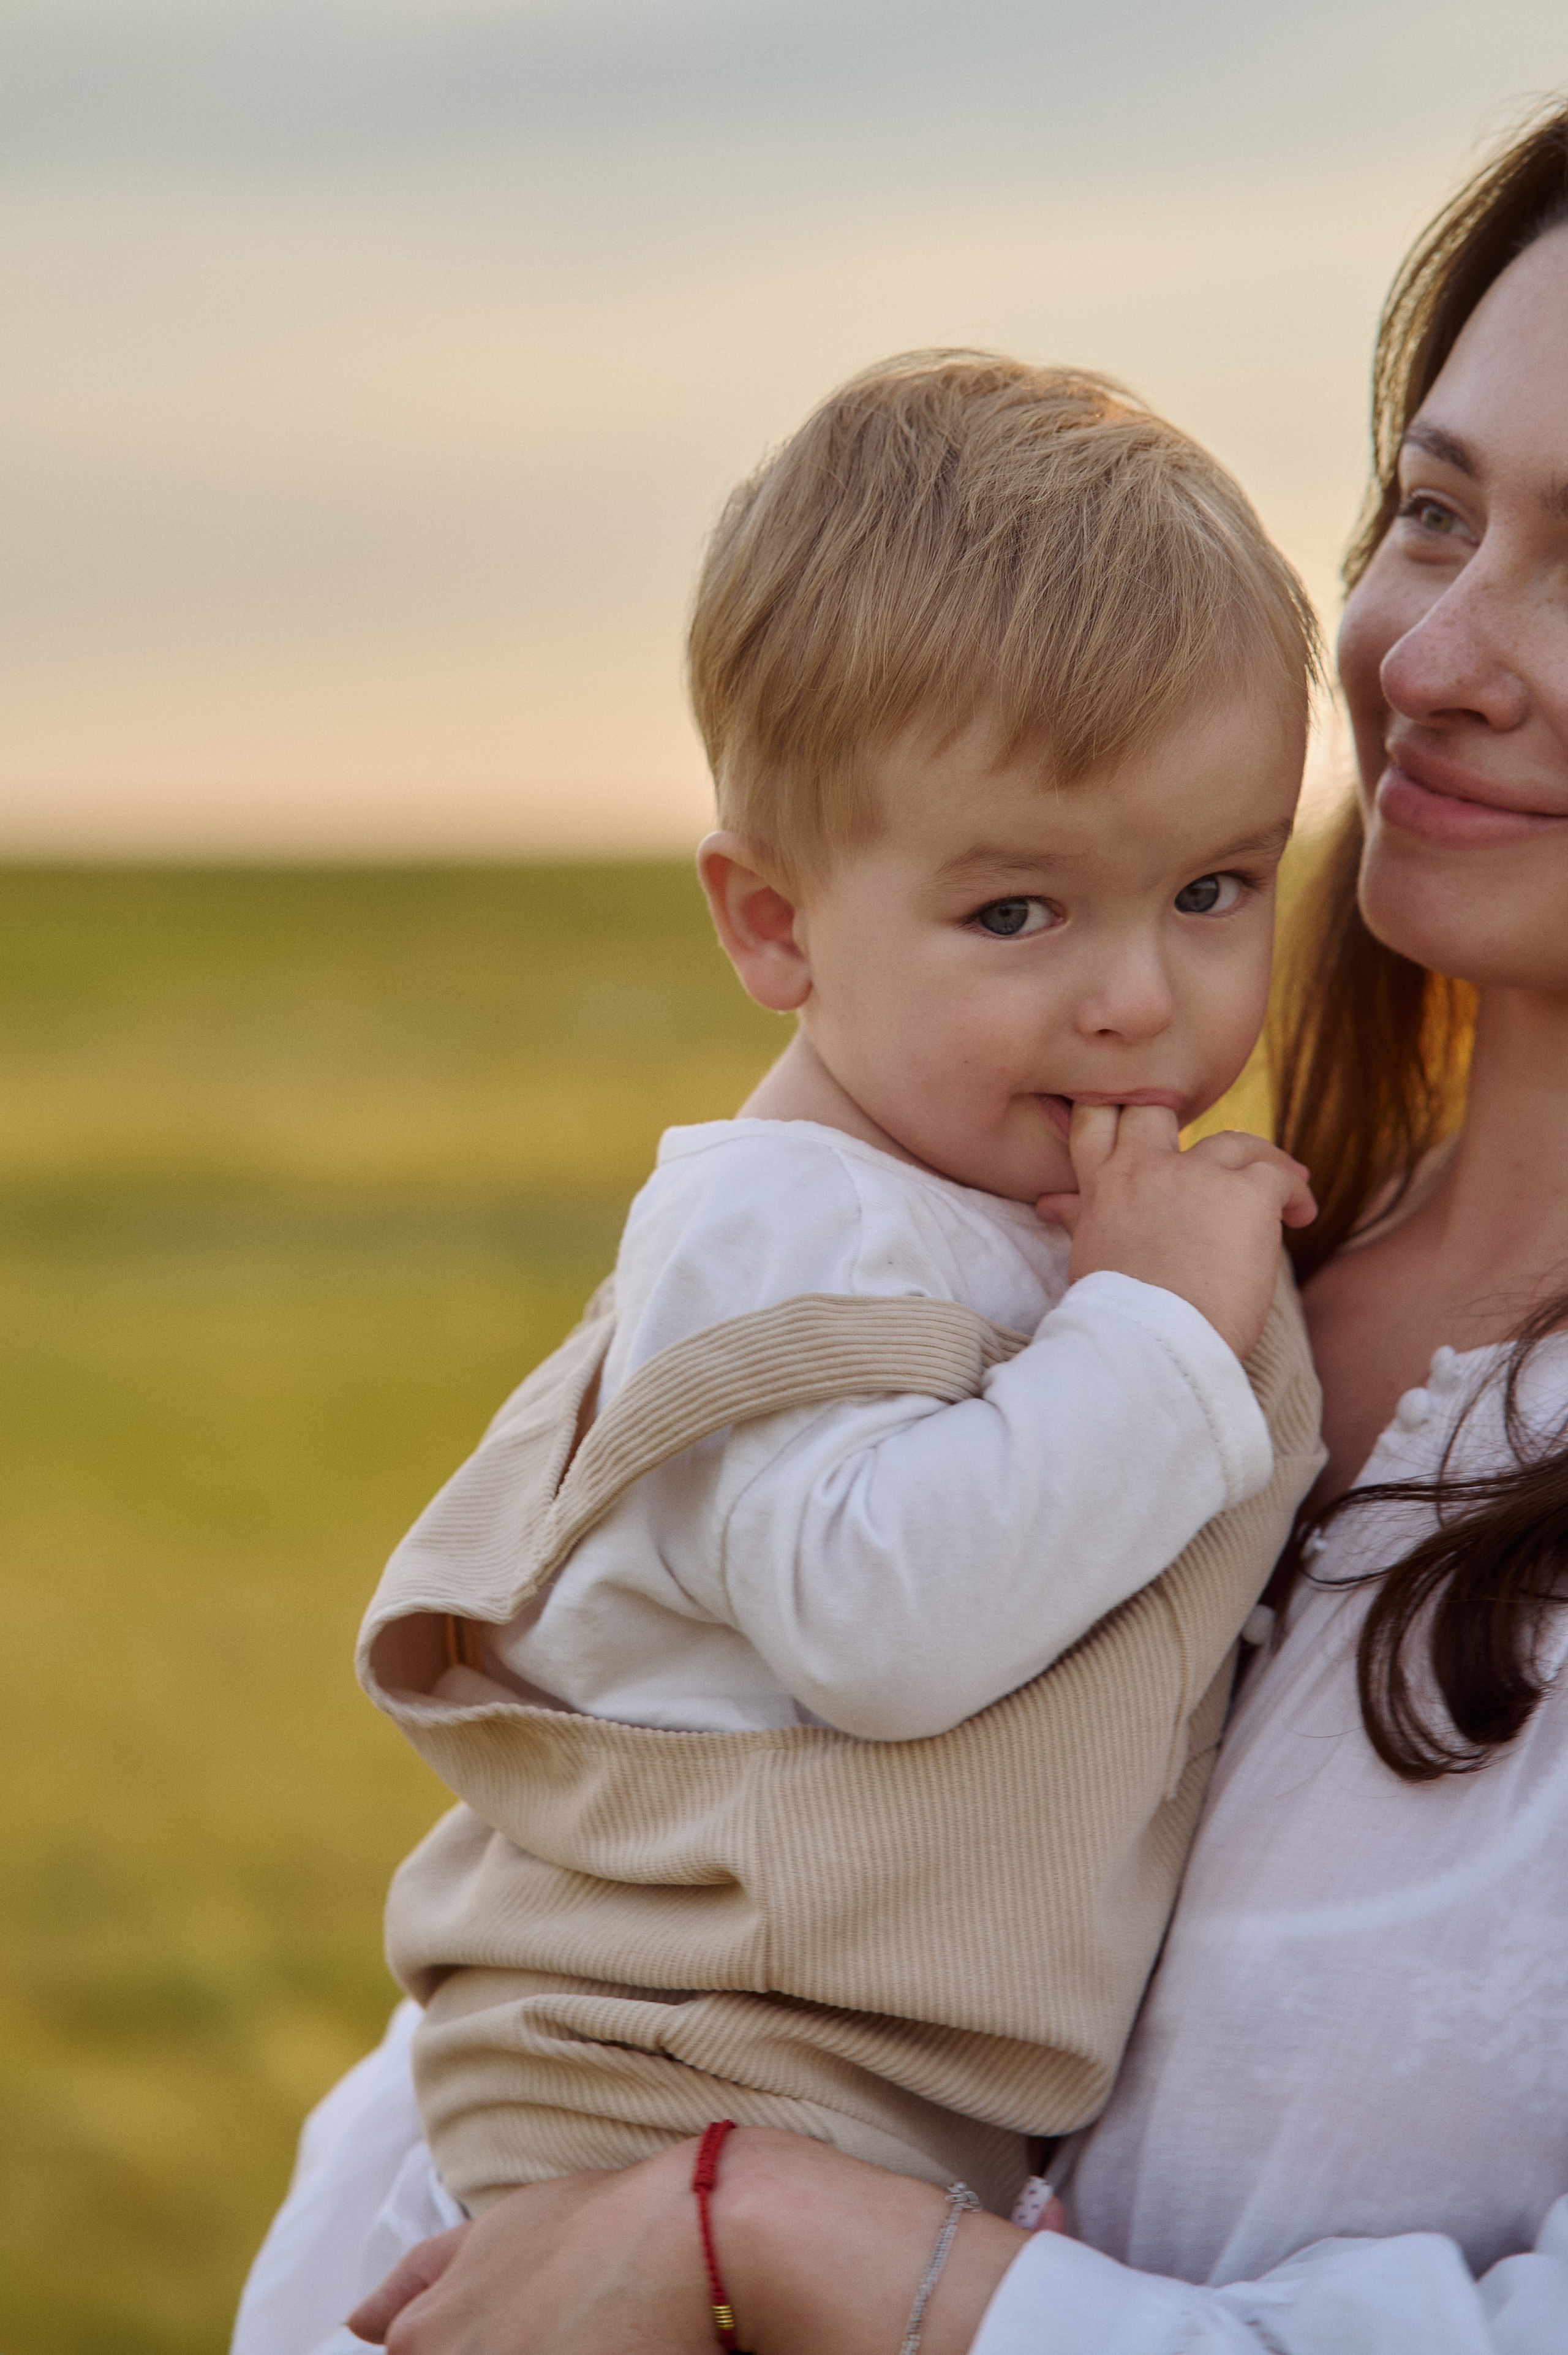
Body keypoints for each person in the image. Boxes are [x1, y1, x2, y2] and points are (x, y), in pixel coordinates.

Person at [336, 99, 1568, 2355]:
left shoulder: (1137, 1272)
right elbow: (634, 1881)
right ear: (773, 922)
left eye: (1206, 887)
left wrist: (788, 2237)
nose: (1434, 657)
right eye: (1434, 507)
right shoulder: (1067, 1253)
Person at [234, 354, 1326, 2350]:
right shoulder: (785, 1222)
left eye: (1213, 888)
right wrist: (1161, 1329)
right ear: (775, 926)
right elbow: (879, 1614)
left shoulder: (1016, 1200)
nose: (1140, 997)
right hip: (651, 2087)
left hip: (838, 2116)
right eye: (1017, 909)